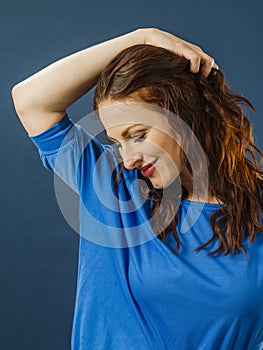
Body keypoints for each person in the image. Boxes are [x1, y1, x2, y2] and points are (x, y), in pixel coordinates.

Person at [12, 27, 263, 349]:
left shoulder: (256, 210)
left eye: (138, 134)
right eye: (117, 143)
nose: (128, 158)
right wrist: (140, 38)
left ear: (186, 114)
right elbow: (31, 100)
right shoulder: (111, 185)